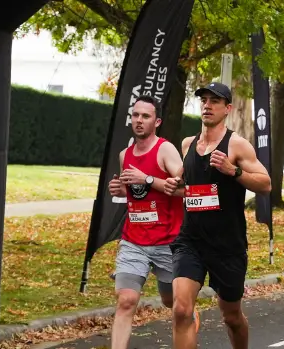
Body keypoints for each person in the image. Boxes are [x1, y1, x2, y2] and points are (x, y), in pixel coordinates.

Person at [170, 82, 273, 349]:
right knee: (181, 310)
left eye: (214, 101)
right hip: (190, 241)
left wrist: (233, 171)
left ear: (227, 108)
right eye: (204, 100)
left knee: (231, 317)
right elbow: (190, 188)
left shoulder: (236, 145)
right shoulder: (187, 144)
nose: (207, 105)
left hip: (227, 245)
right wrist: (176, 186)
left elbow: (265, 184)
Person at [105, 96, 187, 349]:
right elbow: (135, 192)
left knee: (172, 302)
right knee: (126, 300)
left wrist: (148, 178)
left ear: (157, 121)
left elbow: (186, 188)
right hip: (134, 240)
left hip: (168, 241)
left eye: (146, 116)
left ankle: (188, 318)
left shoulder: (165, 150)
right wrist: (120, 190)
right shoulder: (124, 155)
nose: (139, 121)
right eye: (136, 115)